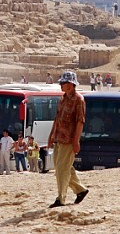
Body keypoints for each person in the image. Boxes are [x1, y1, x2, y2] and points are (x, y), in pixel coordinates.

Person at [47, 71, 89, 208]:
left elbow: (80, 122)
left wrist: (76, 141)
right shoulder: (63, 99)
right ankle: (80, 190)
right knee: (62, 167)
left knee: (61, 169)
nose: (60, 85)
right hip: (59, 138)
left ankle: (61, 198)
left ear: (70, 84)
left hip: (69, 140)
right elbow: (57, 119)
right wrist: (51, 135)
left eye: (62, 83)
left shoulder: (79, 100)